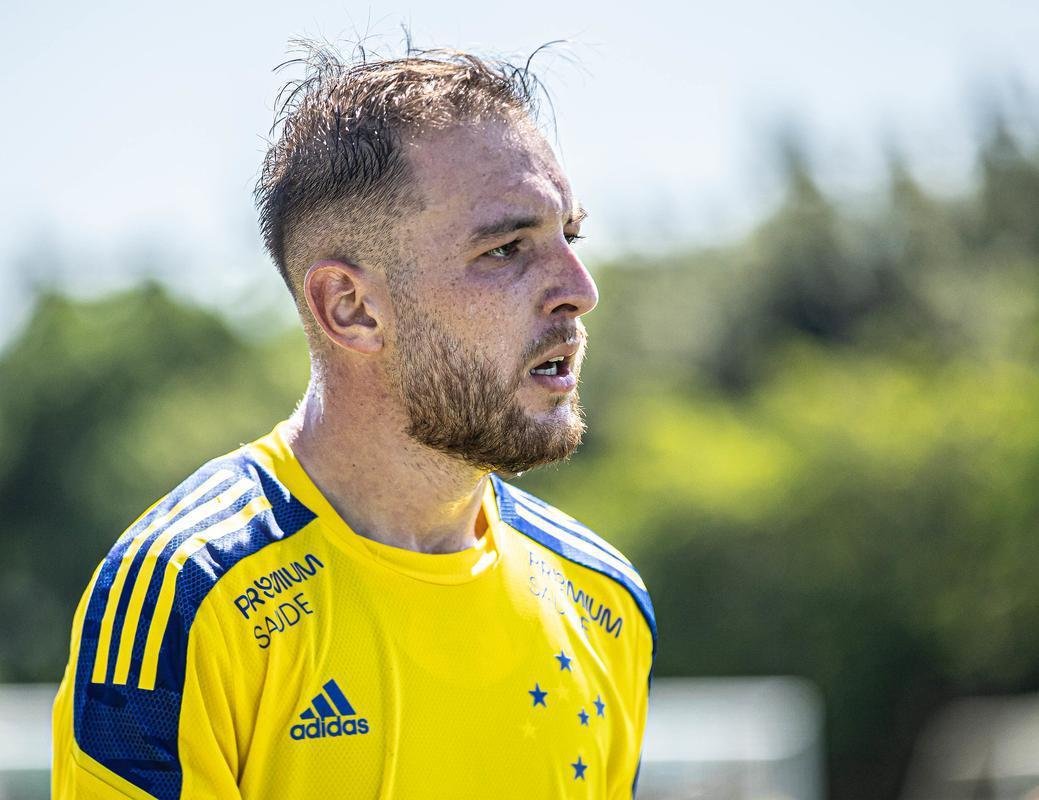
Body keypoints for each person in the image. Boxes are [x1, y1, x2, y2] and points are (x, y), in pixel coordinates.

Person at [52, 41, 656, 799]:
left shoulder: (604, 597)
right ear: (352, 308)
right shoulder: (187, 592)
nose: (578, 289)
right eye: (506, 249)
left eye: (569, 236)